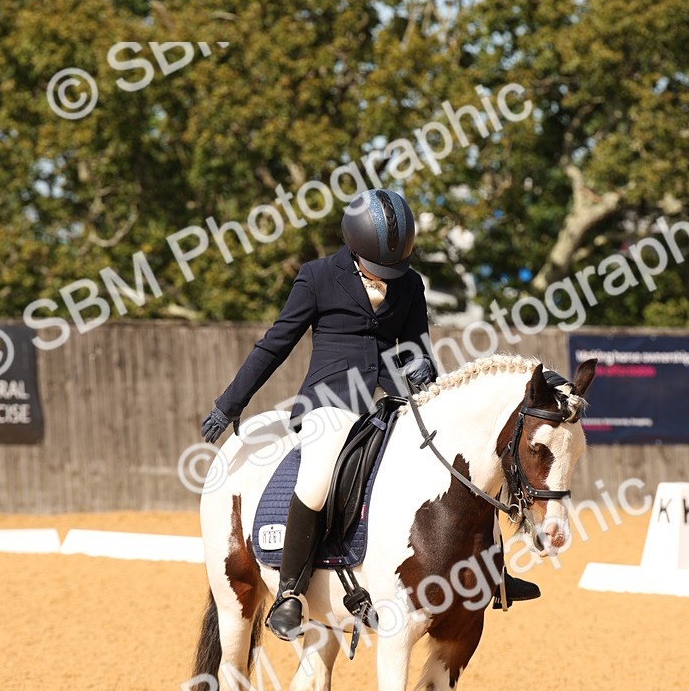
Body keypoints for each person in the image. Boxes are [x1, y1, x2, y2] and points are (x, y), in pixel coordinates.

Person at [201, 188, 537, 640]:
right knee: (317, 480)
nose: (388, 277)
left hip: (393, 400)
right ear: (354, 247)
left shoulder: (410, 283)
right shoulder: (317, 276)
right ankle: (291, 593)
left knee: (460, 464)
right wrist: (230, 403)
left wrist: (424, 375)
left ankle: (492, 570)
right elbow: (276, 342)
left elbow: (418, 347)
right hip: (329, 401)